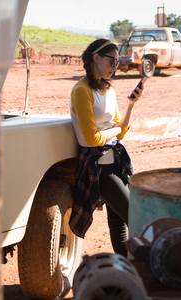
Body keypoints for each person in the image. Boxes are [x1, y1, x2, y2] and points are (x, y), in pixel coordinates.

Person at [68, 39, 143, 257]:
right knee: (136, 216)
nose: (115, 67)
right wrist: (114, 131)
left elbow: (122, 130)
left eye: (118, 63)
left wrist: (131, 104)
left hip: (115, 164)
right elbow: (92, 139)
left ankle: (125, 268)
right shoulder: (81, 90)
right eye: (112, 61)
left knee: (118, 222)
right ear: (96, 58)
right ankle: (135, 267)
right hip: (98, 168)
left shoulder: (109, 90)